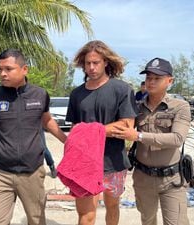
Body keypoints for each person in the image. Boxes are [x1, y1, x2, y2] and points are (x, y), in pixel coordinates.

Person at [0, 49, 67, 225]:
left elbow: (48, 121)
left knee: (36, 221)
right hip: (1, 173)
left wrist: (68, 141)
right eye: (0, 69)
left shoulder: (40, 94)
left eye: (8, 69)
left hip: (32, 172)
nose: (2, 73)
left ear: (24, 69)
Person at [66, 40, 137, 225]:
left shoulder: (122, 89)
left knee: (112, 207)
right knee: (86, 216)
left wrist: (88, 131)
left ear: (105, 62)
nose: (91, 67)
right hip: (84, 162)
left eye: (96, 62)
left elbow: (126, 126)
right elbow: (74, 131)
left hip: (113, 161)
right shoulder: (76, 94)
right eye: (87, 63)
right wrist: (102, 130)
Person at [114, 57, 191, 225]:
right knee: (147, 221)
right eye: (149, 78)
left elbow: (177, 138)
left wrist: (139, 136)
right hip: (143, 178)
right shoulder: (136, 107)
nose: (151, 82)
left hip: (171, 179)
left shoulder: (180, 106)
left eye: (157, 78)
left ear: (170, 81)